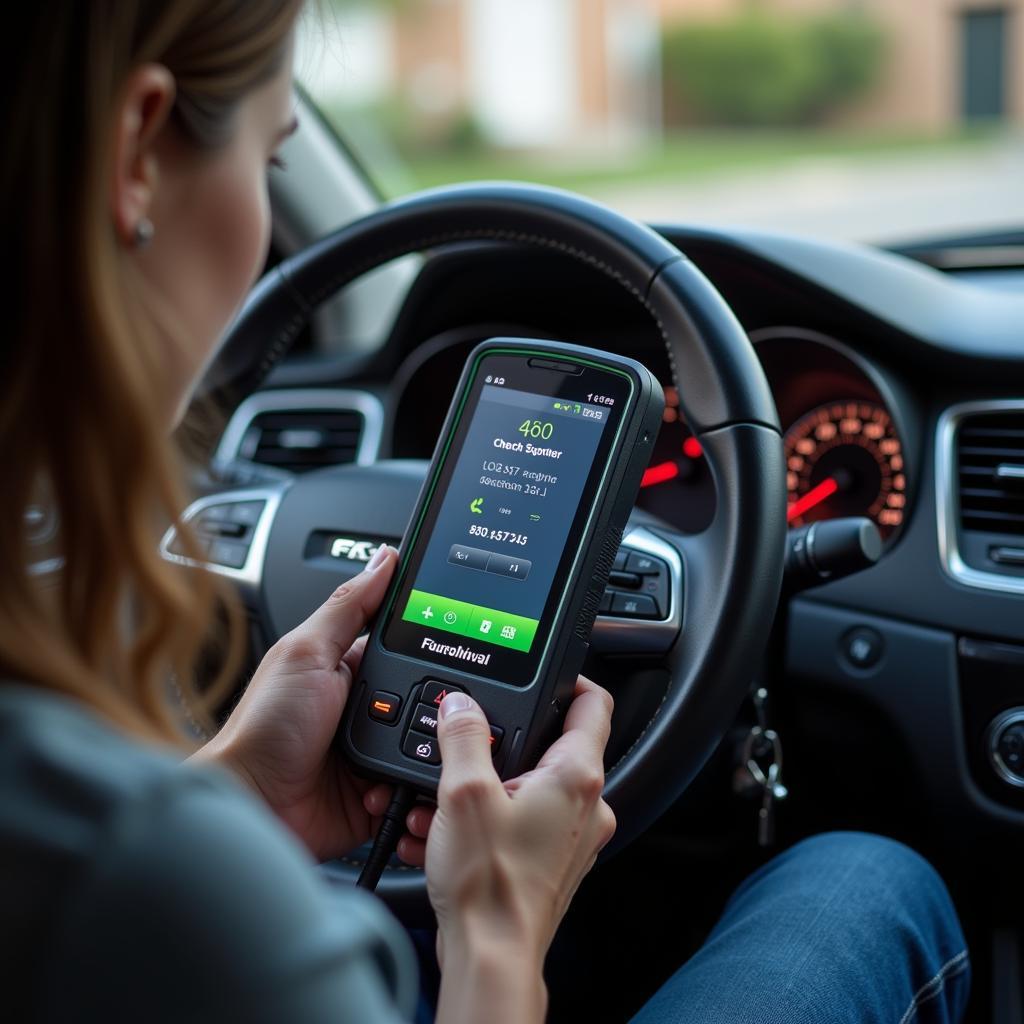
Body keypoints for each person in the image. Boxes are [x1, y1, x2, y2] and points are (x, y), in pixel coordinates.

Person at [1, 3, 970, 1022]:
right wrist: (500, 929)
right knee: (868, 880)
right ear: (138, 153)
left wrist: (240, 798)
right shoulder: (143, 881)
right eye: (271, 158)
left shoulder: (112, 836)